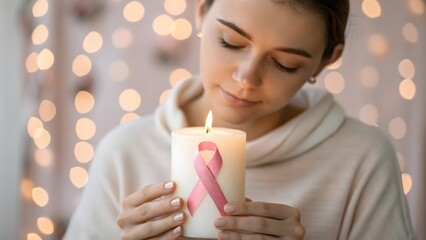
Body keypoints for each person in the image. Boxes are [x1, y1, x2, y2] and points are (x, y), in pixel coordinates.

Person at [63, 0, 416, 239]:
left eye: (285, 64)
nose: (247, 77)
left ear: (325, 61)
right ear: (203, 12)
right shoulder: (125, 153)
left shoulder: (361, 159)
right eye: (230, 42)